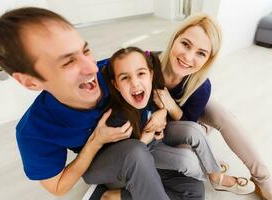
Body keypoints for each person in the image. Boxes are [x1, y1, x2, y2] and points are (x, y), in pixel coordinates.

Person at [0, 7, 204, 200]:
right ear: (31, 82)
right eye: (68, 62)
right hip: (107, 163)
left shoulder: (111, 72)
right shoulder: (34, 130)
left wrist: (162, 111)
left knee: (194, 190)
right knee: (135, 152)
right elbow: (57, 187)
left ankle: (116, 196)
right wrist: (96, 141)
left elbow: (147, 71)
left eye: (85, 51)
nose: (91, 68)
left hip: (141, 148)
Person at [154, 13, 272, 199]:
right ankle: (210, 165)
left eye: (201, 53)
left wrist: (171, 106)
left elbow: (189, 124)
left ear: (208, 59)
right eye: (185, 44)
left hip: (183, 121)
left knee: (223, 116)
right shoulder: (147, 65)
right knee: (186, 154)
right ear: (175, 38)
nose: (188, 57)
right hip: (159, 132)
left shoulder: (201, 85)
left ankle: (264, 179)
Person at [101, 45, 255, 197]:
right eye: (125, 78)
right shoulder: (117, 117)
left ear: (150, 74)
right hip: (141, 153)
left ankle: (213, 174)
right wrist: (145, 138)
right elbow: (127, 157)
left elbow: (156, 110)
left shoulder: (149, 91)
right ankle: (205, 169)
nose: (135, 83)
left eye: (141, 73)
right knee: (186, 161)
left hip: (156, 139)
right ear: (116, 84)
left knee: (195, 130)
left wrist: (161, 112)